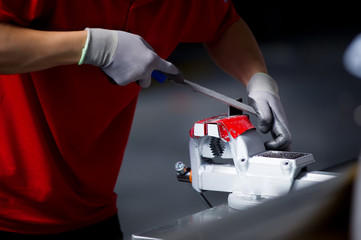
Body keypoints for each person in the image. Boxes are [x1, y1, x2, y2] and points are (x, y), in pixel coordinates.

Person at [0, 0, 291, 238]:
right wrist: (94, 46)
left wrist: (259, 80)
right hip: (9, 206)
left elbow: (223, 24)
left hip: (89, 205)